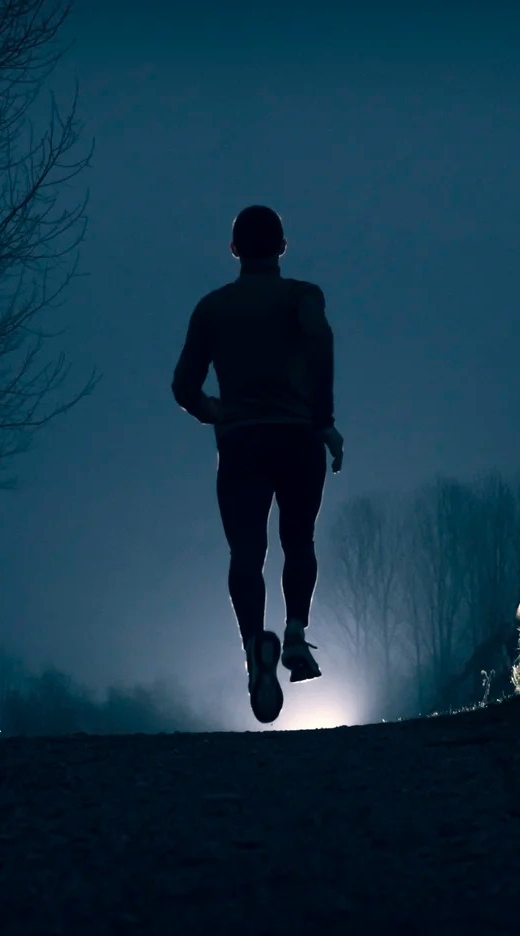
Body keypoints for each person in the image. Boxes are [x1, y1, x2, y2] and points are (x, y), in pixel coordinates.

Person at [171, 205, 345, 724]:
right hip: (296, 436)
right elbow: (321, 339)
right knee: (300, 540)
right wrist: (323, 418)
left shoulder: (212, 308)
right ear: (283, 246)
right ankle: (294, 632)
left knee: (246, 552)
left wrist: (217, 413)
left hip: (241, 443)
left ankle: (254, 651)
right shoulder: (302, 296)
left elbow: (183, 387)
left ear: (234, 251)